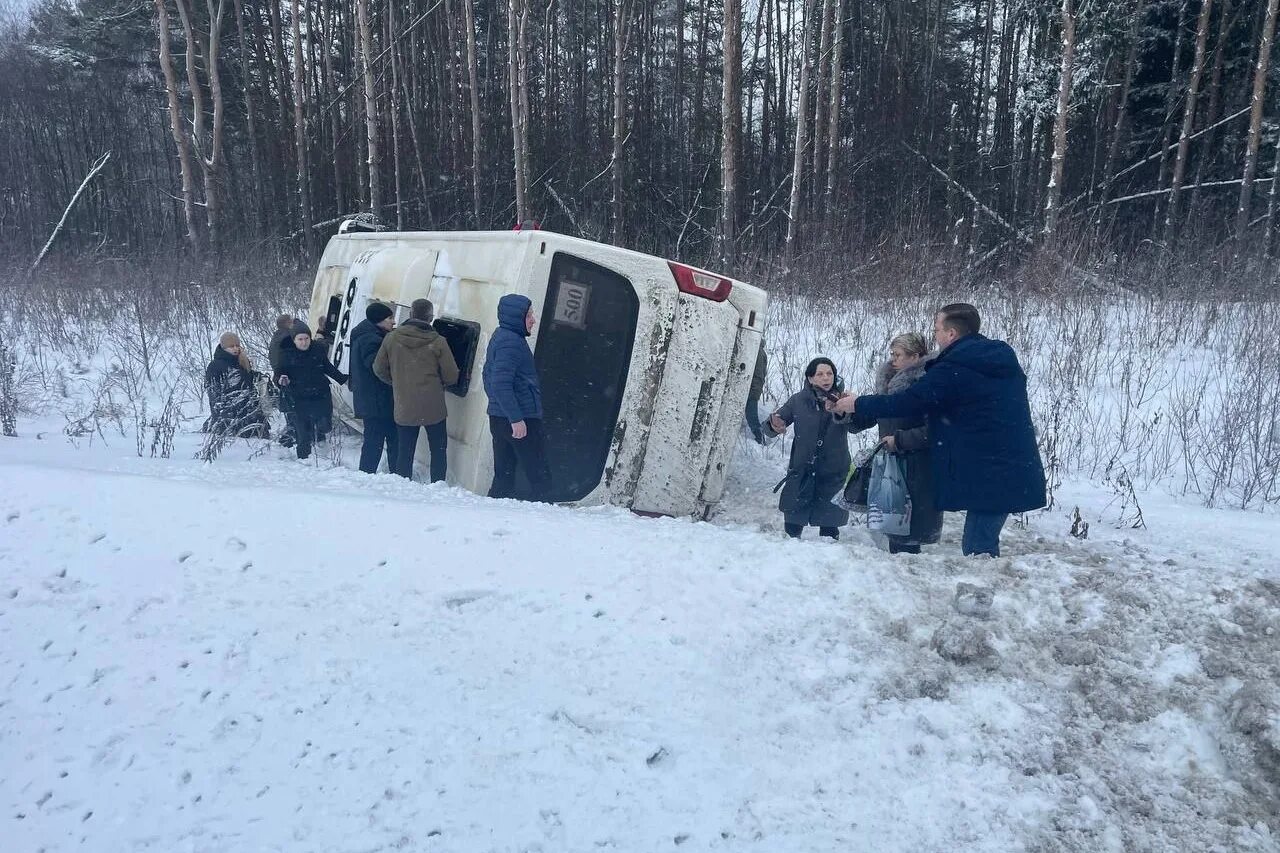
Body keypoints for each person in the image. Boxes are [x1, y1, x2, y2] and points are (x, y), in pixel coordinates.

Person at [829, 303, 1047, 557]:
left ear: (951, 334)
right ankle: (981, 588)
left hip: (992, 469)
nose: (935, 336)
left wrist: (857, 403)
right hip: (1008, 463)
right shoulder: (995, 358)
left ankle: (980, 595)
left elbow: (909, 401)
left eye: (937, 329)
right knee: (981, 541)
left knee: (979, 548)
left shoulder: (956, 367)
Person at [837, 333, 942, 554]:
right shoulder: (889, 383)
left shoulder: (926, 385)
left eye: (898, 355)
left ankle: (907, 576)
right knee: (894, 525)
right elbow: (868, 419)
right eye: (891, 354)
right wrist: (847, 410)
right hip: (890, 465)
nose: (892, 359)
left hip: (917, 467)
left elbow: (935, 430)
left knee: (909, 529)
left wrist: (900, 440)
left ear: (915, 357)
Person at [762, 357, 855, 540]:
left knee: (829, 529)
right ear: (810, 378)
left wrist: (846, 411)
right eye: (820, 374)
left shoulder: (845, 401)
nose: (825, 378)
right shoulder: (798, 400)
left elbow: (857, 425)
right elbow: (773, 424)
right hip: (802, 469)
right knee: (792, 528)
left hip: (833, 469)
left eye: (829, 374)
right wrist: (774, 425)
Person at [373, 299, 460, 482]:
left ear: (411, 315)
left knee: (405, 451)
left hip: (405, 404)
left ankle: (403, 486)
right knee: (438, 450)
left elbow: (378, 369)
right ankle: (438, 486)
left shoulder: (392, 338)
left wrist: (397, 382)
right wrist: (439, 385)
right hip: (433, 405)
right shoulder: (439, 342)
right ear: (430, 317)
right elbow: (452, 375)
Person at [482, 294, 550, 501]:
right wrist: (516, 419)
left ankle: (492, 512)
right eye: (529, 315)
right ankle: (547, 517)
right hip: (520, 418)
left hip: (501, 417)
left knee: (504, 475)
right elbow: (500, 383)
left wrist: (498, 409)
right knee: (539, 475)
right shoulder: (510, 343)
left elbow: (488, 376)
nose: (533, 320)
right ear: (516, 317)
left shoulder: (502, 336)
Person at [273, 321, 348, 461]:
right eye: (300, 339)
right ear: (294, 340)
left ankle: (320, 444)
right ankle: (304, 460)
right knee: (303, 433)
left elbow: (328, 367)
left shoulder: (317, 349)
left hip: (320, 394)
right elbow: (278, 374)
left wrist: (343, 379)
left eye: (306, 338)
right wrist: (280, 380)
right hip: (298, 397)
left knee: (325, 425)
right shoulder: (285, 353)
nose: (304, 342)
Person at [349, 302, 399, 474]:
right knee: (381, 440)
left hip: (373, 399)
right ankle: (370, 474)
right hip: (378, 399)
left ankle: (368, 473)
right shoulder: (371, 339)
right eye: (390, 318)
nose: (393, 322)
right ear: (379, 320)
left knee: (374, 440)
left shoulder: (366, 333)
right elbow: (376, 367)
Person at [203, 332, 269, 440]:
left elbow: (248, 382)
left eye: (237, 346)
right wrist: (223, 412)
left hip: (249, 410)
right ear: (224, 347)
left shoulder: (242, 361)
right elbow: (213, 392)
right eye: (231, 346)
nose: (235, 348)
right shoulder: (215, 365)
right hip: (230, 413)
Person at [268, 314, 298, 447]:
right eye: (291, 322)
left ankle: (292, 433)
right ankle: (291, 436)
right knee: (293, 408)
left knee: (289, 405)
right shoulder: (287, 338)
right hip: (287, 377)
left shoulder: (276, 337)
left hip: (278, 376)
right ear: (288, 323)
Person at [745, 339, 768, 445]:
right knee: (751, 413)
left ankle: (760, 437)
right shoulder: (761, 352)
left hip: (752, 388)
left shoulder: (756, 352)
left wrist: (751, 388)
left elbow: (757, 374)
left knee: (751, 415)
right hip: (755, 387)